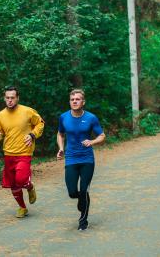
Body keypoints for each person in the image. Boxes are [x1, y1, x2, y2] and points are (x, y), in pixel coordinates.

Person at [0, 86, 45, 218]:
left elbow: (40, 123)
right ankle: (22, 207)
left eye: (12, 98)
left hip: (24, 152)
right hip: (8, 154)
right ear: (4, 98)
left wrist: (32, 135)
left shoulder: (27, 111)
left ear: (17, 98)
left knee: (20, 179)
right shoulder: (0, 116)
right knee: (13, 185)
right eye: (7, 98)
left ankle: (29, 187)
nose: (10, 100)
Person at [57, 89, 105, 231]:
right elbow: (60, 134)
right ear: (69, 102)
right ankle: (81, 199)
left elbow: (102, 136)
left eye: (78, 99)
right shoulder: (64, 117)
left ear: (83, 102)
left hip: (87, 159)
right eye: (72, 99)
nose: (75, 101)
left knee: (84, 190)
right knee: (72, 192)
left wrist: (92, 141)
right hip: (71, 158)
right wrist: (61, 148)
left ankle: (83, 220)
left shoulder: (91, 118)